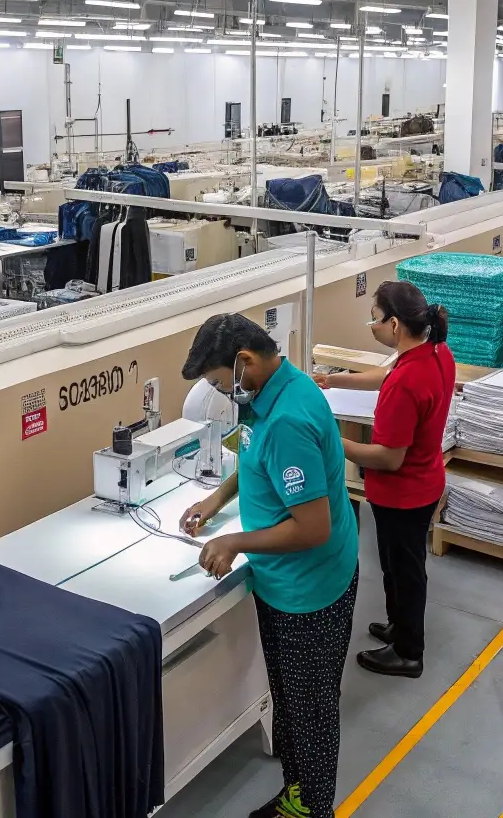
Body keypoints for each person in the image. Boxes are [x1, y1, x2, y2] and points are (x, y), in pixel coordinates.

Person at [179, 314, 358, 818]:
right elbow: (251, 455)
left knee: (310, 711)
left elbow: (312, 526)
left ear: (245, 362)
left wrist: (234, 541)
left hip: (309, 591)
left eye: (218, 380)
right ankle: (297, 791)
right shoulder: (272, 392)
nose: (219, 390)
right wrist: (217, 499)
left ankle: (312, 807)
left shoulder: (288, 420)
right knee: (290, 698)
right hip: (286, 582)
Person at [315, 282, 455, 679]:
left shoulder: (407, 383)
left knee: (406, 569)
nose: (370, 326)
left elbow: (389, 458)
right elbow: (384, 374)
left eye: (374, 319)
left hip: (403, 492)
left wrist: (334, 441)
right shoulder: (436, 353)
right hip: (424, 482)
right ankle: (398, 625)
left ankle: (409, 651)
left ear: (394, 324)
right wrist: (332, 380)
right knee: (396, 564)